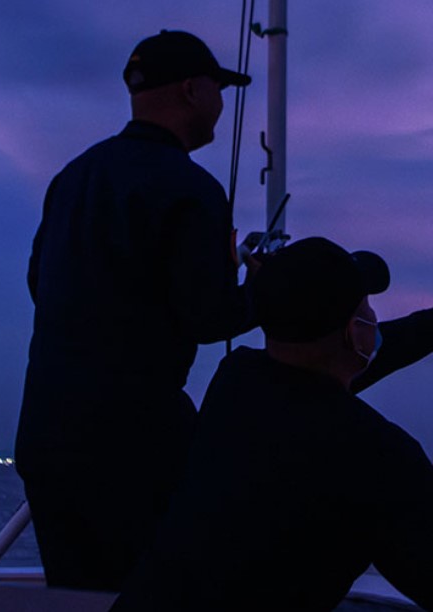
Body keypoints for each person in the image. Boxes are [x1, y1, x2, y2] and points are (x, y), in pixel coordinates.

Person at [112, 237, 433, 612]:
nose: (373, 317)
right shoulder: (375, 455)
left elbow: (351, 362)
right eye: (366, 307)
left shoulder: (235, 383)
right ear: (354, 333)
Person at [14, 29, 256, 591]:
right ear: (193, 90)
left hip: (46, 437)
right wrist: (262, 290)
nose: (222, 103)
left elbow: (39, 283)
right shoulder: (192, 189)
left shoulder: (72, 177)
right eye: (218, 88)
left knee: (78, 596)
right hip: (134, 445)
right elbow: (209, 317)